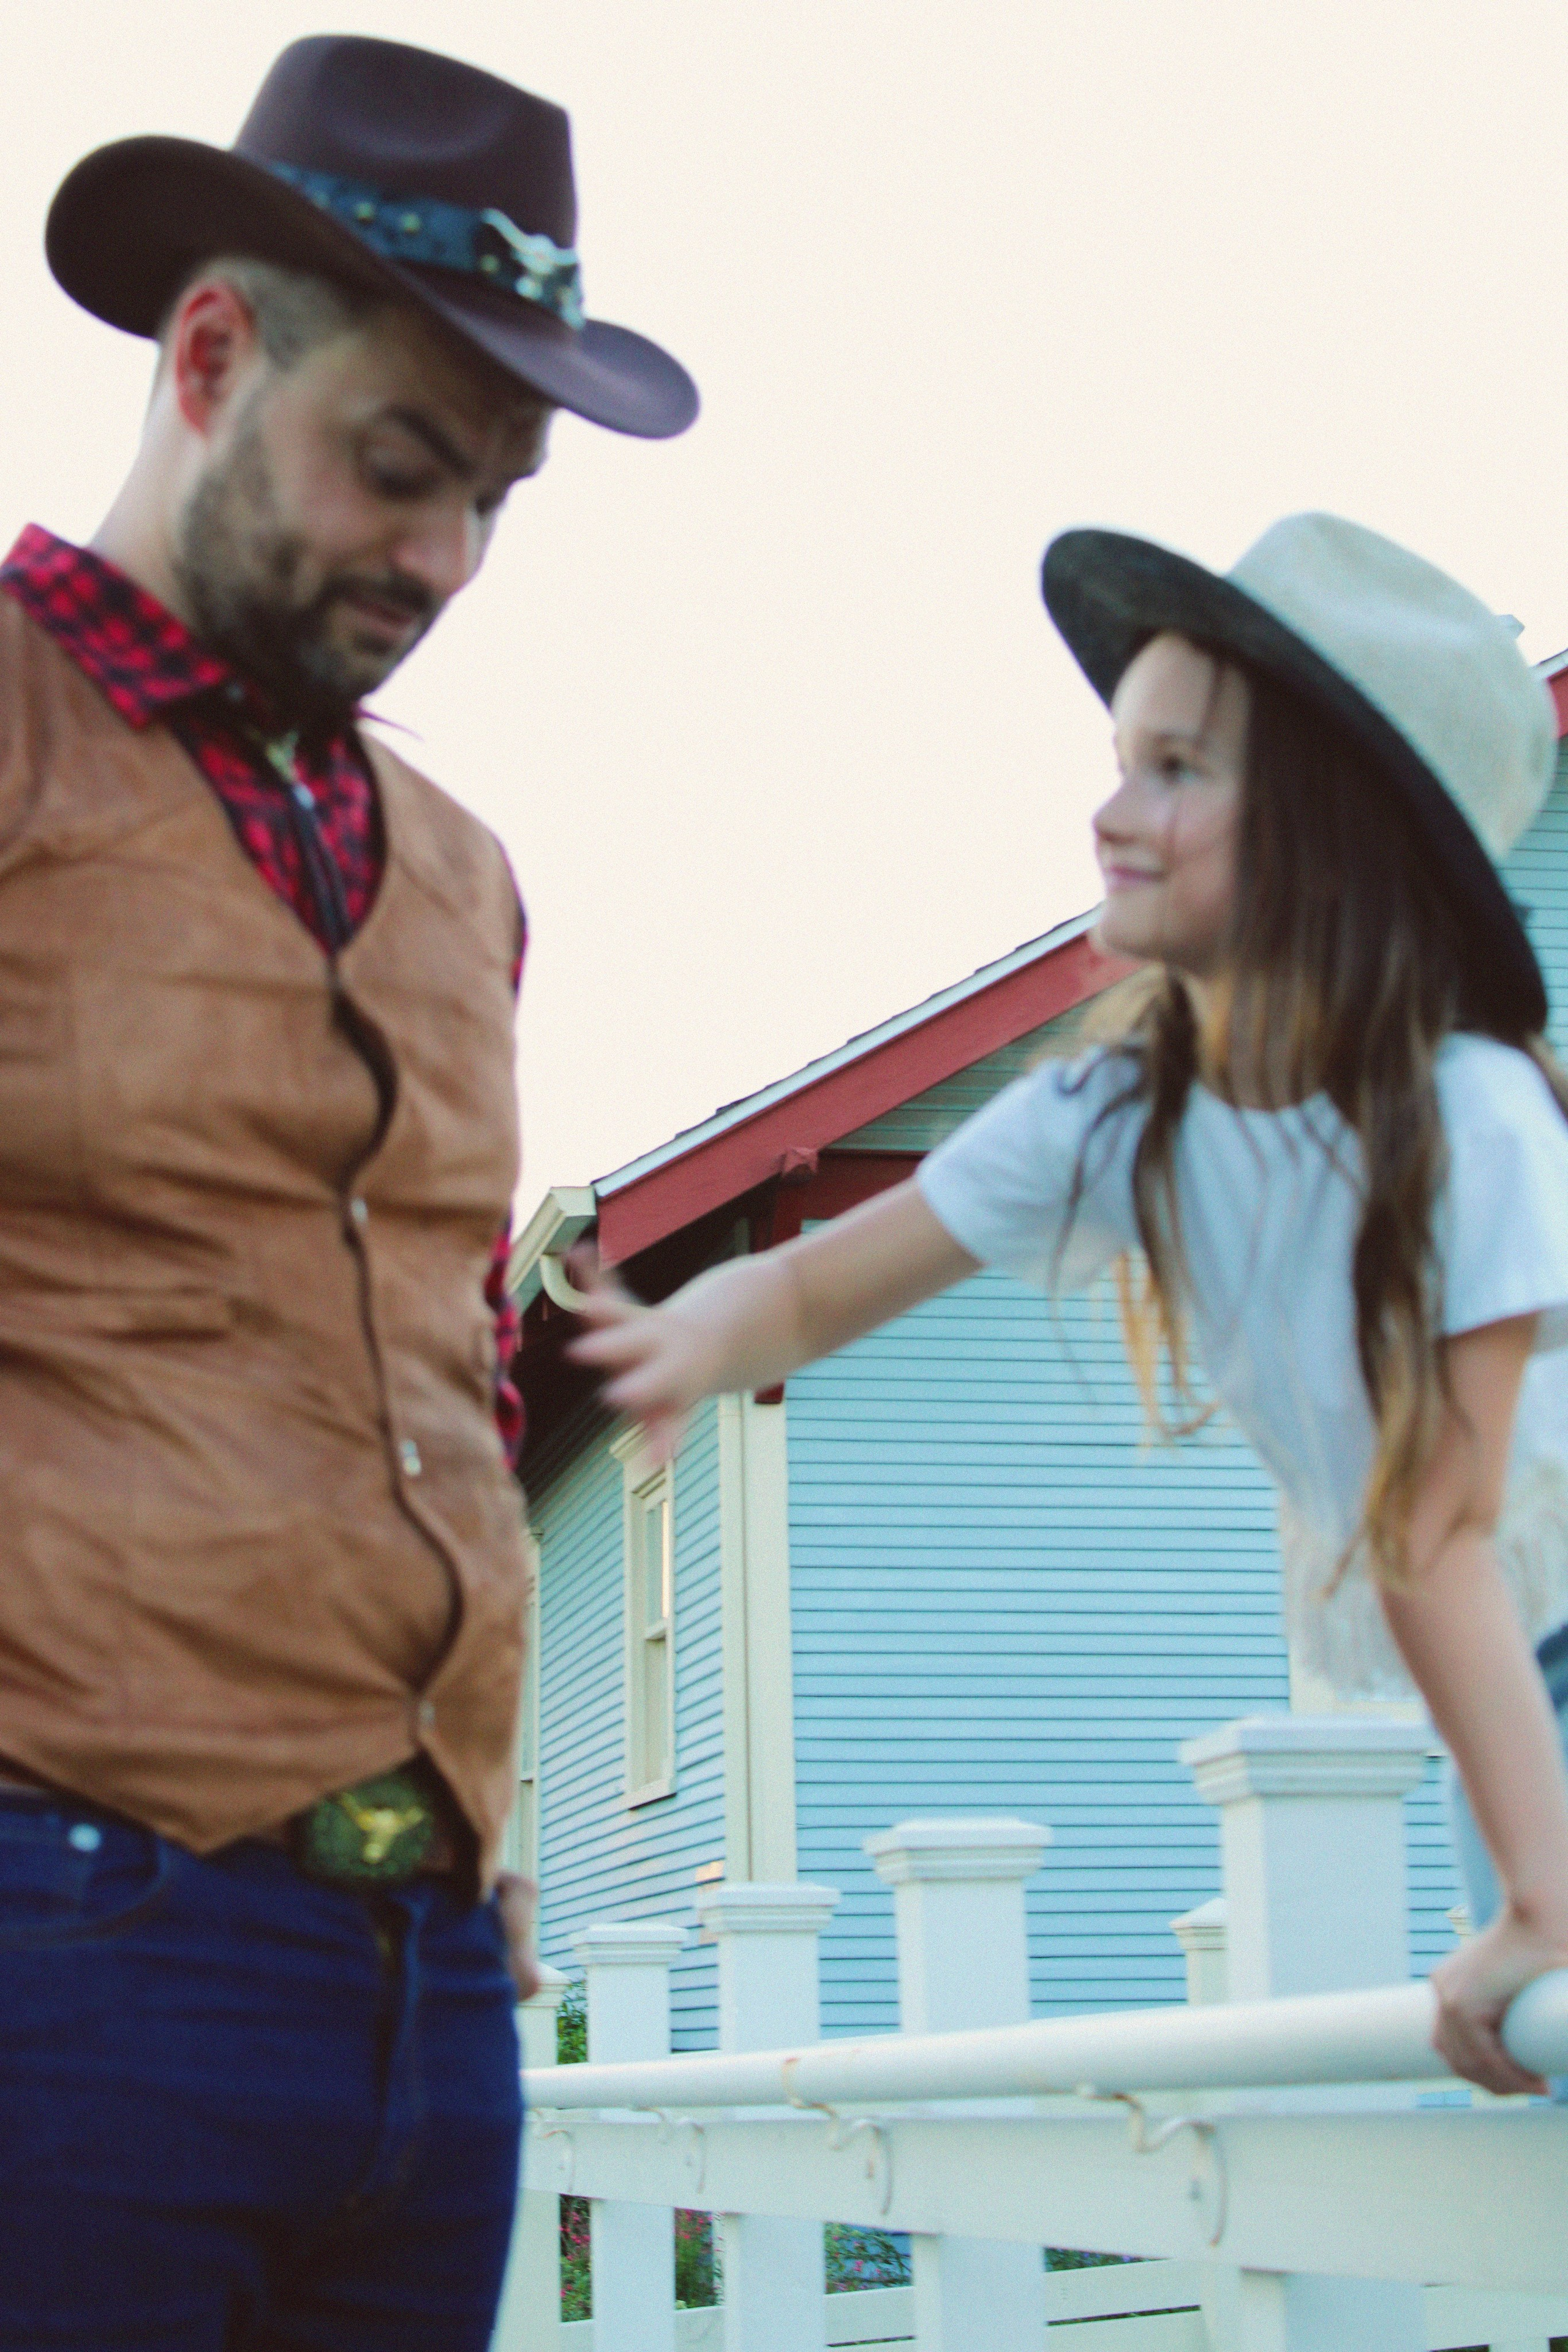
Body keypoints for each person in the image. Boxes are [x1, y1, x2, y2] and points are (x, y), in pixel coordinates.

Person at [0, 33, 695, 2351]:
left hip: (427, 1981)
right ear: (210, 355)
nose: (445, 559)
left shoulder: (468, 875)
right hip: (60, 1942)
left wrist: (472, 1825)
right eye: (401, 467)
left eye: (495, 496)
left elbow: (443, 1361)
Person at [572, 511, 1568, 2100]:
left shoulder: (1472, 1122)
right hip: (1500, 1668)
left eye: (1177, 770)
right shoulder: (1124, 1113)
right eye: (1121, 758)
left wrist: (1541, 1901)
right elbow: (826, 1281)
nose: (1111, 811)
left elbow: (1436, 1526)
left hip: (1523, 1639)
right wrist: (689, 1334)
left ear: (1333, 840)